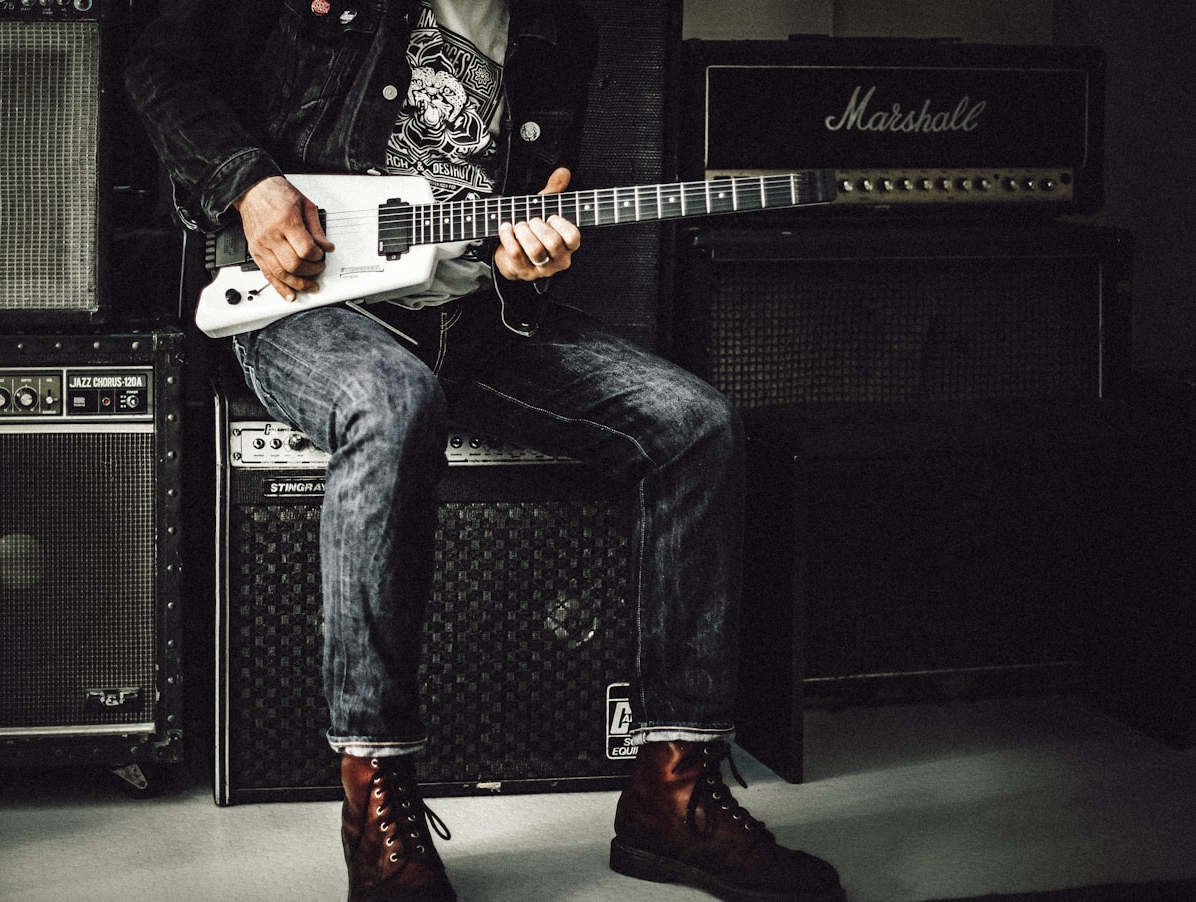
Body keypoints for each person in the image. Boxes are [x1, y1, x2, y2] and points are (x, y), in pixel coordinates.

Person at [126, 2, 845, 900]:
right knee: (392, 400)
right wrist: (251, 184)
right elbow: (159, 65)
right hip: (303, 307)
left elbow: (527, 223)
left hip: (473, 318)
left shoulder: (558, 29)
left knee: (696, 424)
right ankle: (376, 796)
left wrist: (525, 265)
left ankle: (672, 793)